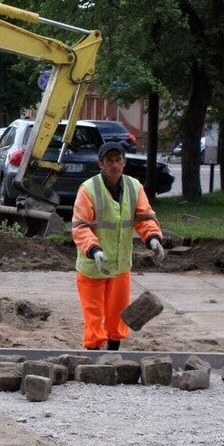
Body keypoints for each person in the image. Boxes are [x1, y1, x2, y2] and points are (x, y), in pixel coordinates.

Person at [71, 141, 164, 350]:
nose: (114, 164)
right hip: (92, 266)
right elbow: (80, 227)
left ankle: (113, 352)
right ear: (101, 164)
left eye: (118, 160)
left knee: (118, 312)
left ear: (124, 162)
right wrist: (94, 250)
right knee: (93, 313)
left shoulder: (134, 187)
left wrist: (153, 238)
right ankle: (93, 352)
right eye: (109, 160)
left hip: (120, 265)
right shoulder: (88, 189)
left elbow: (144, 217)